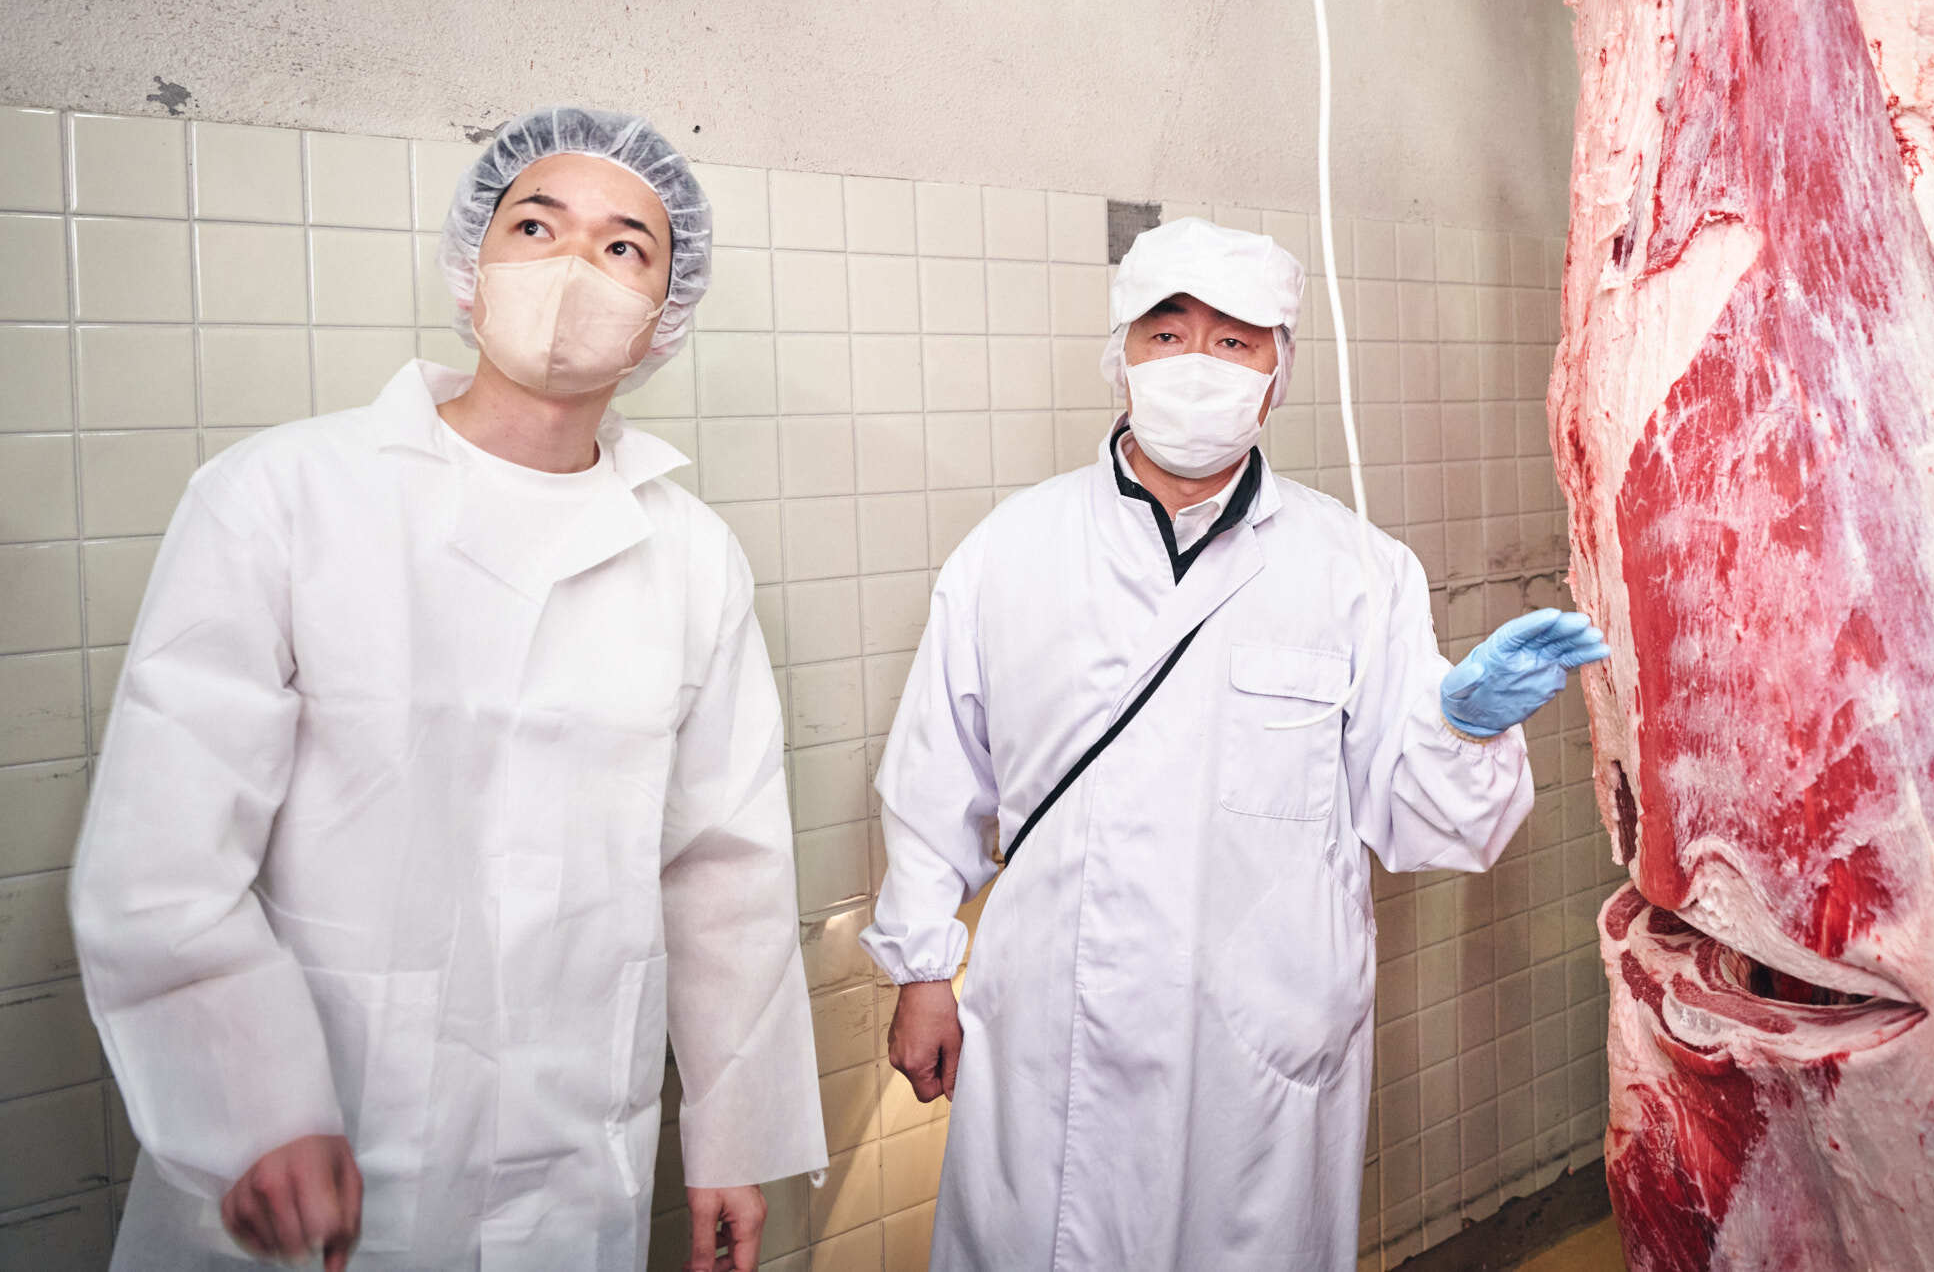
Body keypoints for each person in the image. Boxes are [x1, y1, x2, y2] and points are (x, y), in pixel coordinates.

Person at [71, 108, 828, 1272]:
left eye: (624, 246)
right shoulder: (282, 495)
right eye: (536, 226)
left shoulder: (690, 554)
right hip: (318, 1148)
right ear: (473, 266)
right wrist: (251, 1103)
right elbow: (163, 851)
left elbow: (725, 868)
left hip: (570, 1154)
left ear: (663, 317)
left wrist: (732, 1133)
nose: (574, 266)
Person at [863, 216, 1609, 1269]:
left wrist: (1462, 725)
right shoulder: (1010, 552)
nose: (1196, 363)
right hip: (1057, 1035)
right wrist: (921, 969)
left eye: (1233, 340)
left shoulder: (1356, 569)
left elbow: (1427, 824)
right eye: (1167, 334)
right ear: (1121, 357)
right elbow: (933, 776)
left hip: (1257, 1049)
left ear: (1276, 373)